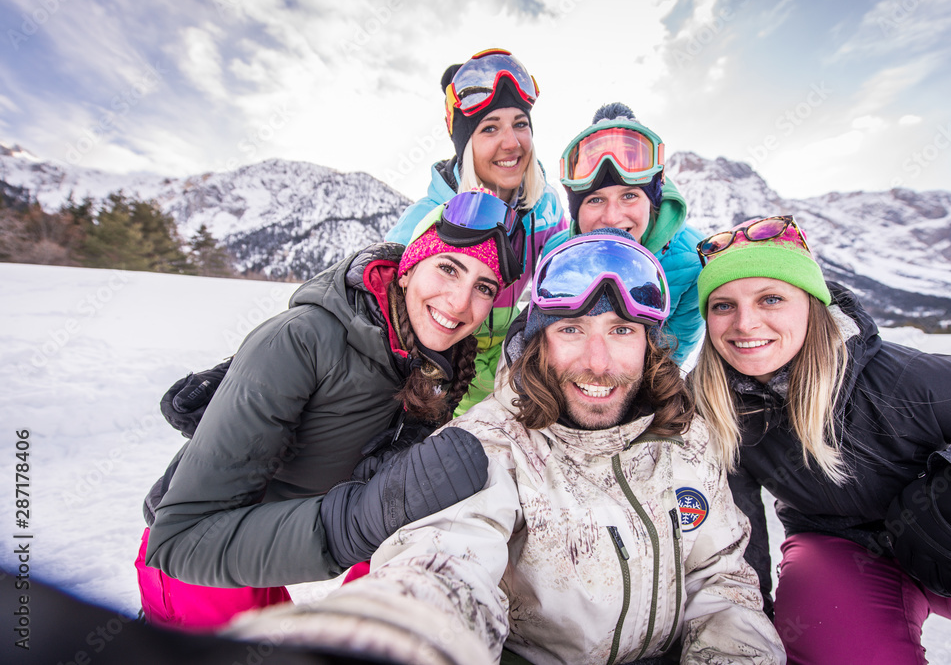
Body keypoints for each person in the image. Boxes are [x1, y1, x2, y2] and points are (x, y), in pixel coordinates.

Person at [228, 229, 786, 665]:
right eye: (570, 329)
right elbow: (443, 570)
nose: (597, 361)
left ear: (651, 345)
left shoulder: (685, 439)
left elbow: (720, 576)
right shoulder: (489, 444)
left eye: (621, 331)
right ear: (537, 343)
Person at [137, 190, 518, 632]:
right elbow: (181, 540)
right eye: (448, 268)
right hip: (199, 568)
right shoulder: (303, 339)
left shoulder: (439, 365)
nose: (458, 302)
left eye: (483, 287)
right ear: (409, 268)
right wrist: (357, 519)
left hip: (288, 543)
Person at [688, 215, 951, 663]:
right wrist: (751, 626)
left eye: (770, 298)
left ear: (813, 304)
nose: (745, 323)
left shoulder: (904, 381)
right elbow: (739, 535)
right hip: (840, 545)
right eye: (723, 306)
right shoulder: (720, 409)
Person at [384, 48, 566, 414]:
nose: (511, 143)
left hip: (500, 386)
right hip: (430, 390)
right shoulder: (429, 219)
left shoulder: (543, 209)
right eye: (490, 128)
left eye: (520, 123)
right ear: (466, 145)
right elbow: (377, 317)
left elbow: (567, 280)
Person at [542, 102, 704, 365]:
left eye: (629, 196)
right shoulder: (555, 254)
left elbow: (668, 363)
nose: (612, 217)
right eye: (595, 199)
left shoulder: (691, 260)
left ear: (652, 202)